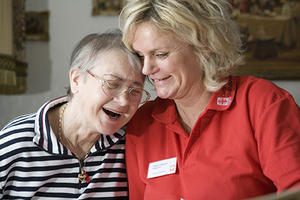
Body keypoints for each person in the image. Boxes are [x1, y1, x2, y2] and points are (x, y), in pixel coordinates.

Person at [119, 0, 300, 199]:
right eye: (141, 56)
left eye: (160, 54)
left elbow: (295, 191)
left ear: (204, 46)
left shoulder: (263, 103)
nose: (146, 69)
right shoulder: (142, 123)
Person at [0, 29, 150, 199]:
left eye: (135, 90)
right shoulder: (15, 143)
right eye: (112, 84)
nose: (124, 101)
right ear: (76, 80)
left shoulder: (131, 144)